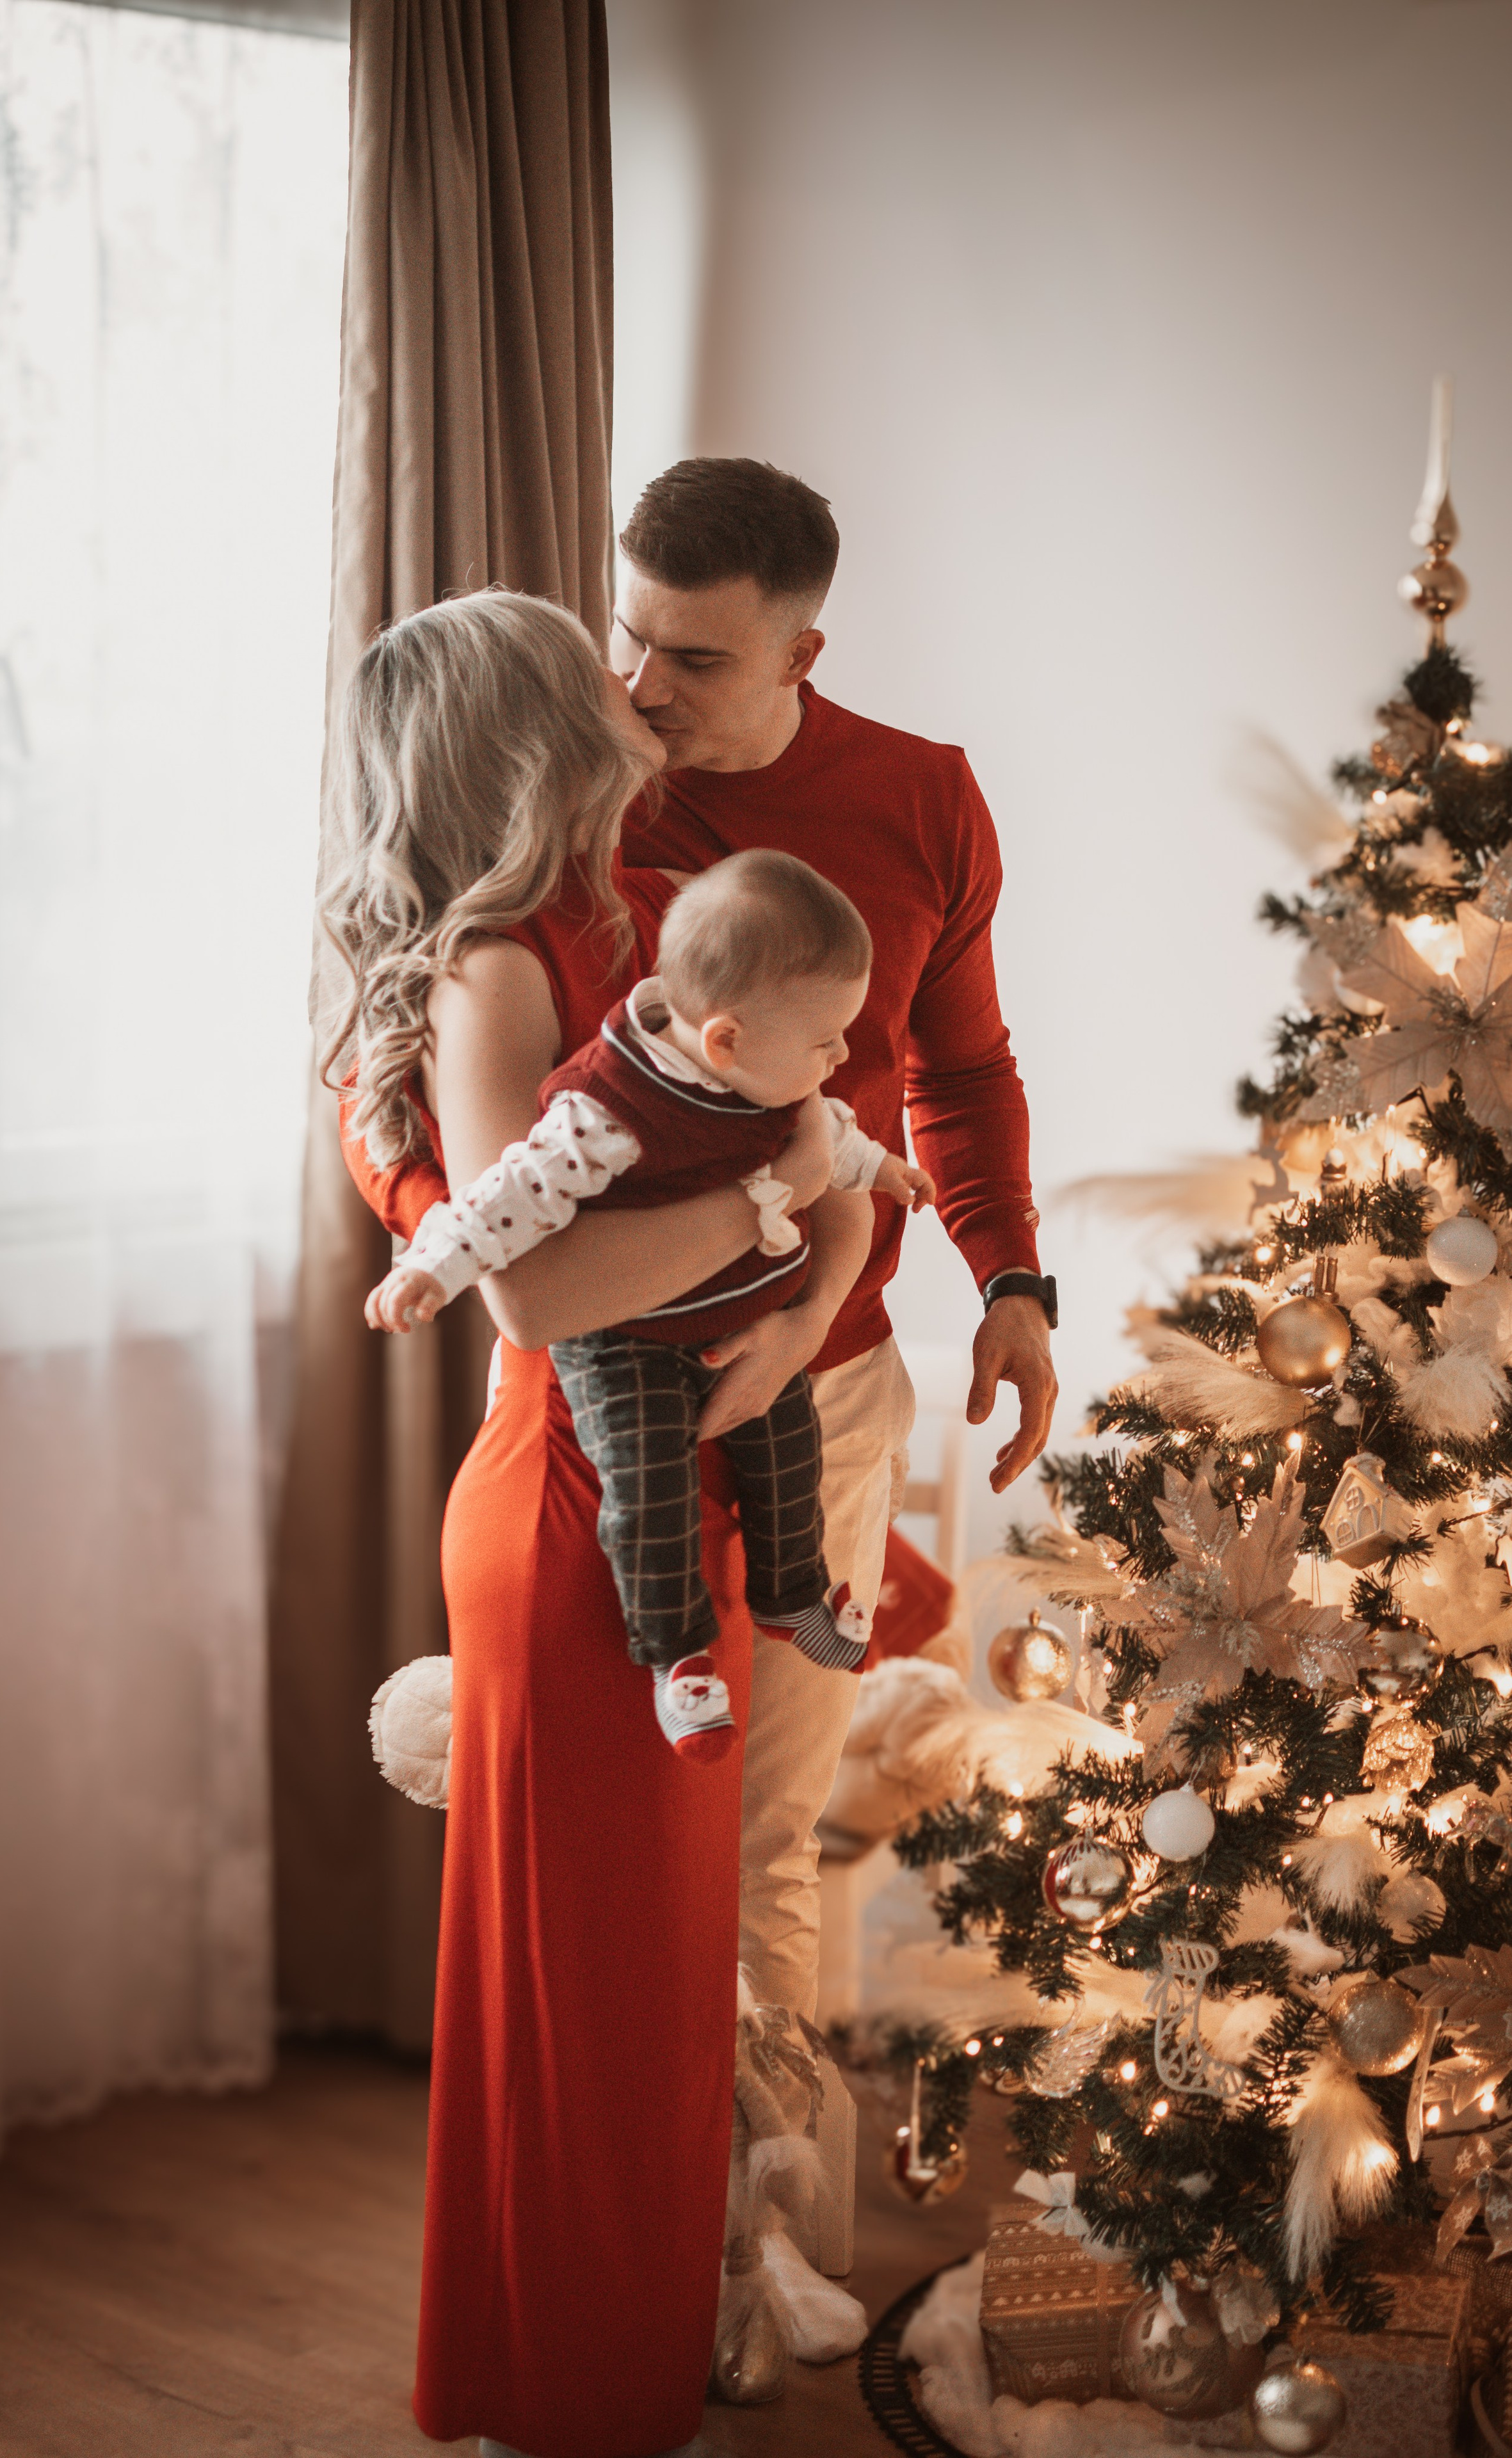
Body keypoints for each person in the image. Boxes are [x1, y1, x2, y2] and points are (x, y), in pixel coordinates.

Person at [325, 588, 869, 2458]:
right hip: (577, 1505)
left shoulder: (642, 910)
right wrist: (770, 1206)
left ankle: (607, 2369)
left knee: (649, 1991)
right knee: (591, 1993)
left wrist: (800, 1290)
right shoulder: (496, 965)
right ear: (536, 724)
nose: (632, 691)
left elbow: (805, 1148)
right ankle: (564, 2397)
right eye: (595, 671)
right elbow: (536, 1292)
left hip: (683, 1487)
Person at [611, 458, 1058, 2066]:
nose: (641, 687)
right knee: (621, 1821)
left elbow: (961, 1068)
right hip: (613, 1378)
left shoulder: (921, 798)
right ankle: (623, 2197)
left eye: (693, 658)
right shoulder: (588, 786)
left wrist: (1010, 1282)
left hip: (835, 1380)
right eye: (630, 636)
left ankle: (766, 2211)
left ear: (802, 654)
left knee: (767, 1842)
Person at [366, 848, 935, 1762]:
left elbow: (835, 1140)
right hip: (626, 1342)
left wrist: (890, 1171)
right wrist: (433, 1269)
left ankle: (794, 1595)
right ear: (726, 1042)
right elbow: (512, 1195)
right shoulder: (610, 1109)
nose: (841, 1056)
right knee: (647, 1490)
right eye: (827, 1040)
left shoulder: (772, 1075)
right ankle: (678, 1660)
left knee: (790, 1449)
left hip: (735, 1321)